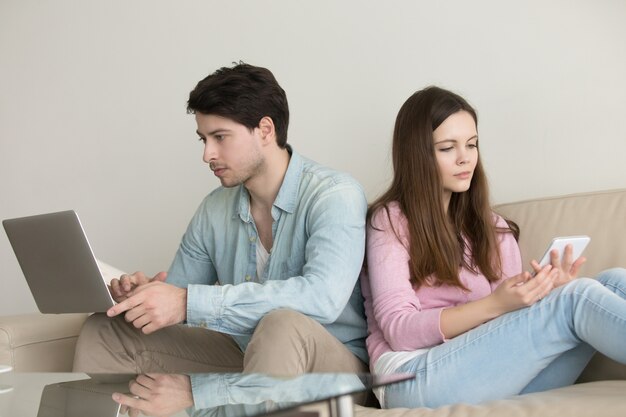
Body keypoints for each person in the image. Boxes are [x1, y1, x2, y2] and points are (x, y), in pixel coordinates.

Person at [73, 63, 369, 377]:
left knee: (281, 324)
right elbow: (180, 295)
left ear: (265, 130)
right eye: (203, 139)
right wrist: (145, 298)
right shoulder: (215, 208)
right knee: (105, 330)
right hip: (243, 351)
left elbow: (323, 299)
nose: (207, 154)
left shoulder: (335, 194)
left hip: (329, 363)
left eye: (220, 137)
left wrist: (187, 302)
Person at [360, 86, 626, 409]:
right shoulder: (390, 221)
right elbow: (399, 331)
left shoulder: (492, 226)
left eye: (472, 145)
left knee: (611, 281)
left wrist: (542, 294)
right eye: (447, 148)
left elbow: (509, 333)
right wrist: (497, 304)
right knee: (577, 299)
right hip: (412, 376)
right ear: (418, 155)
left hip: (488, 374)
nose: (465, 158)